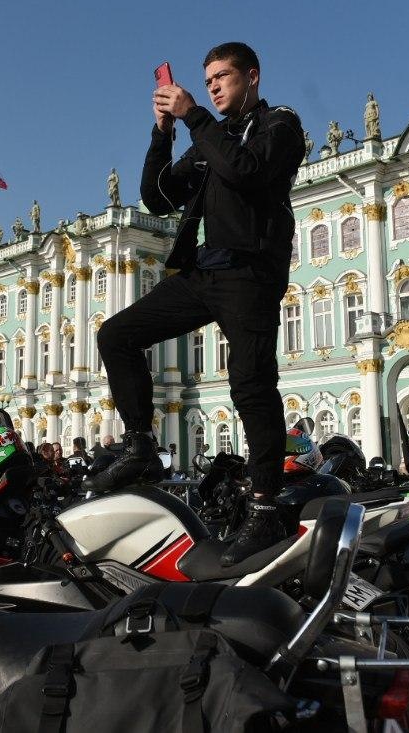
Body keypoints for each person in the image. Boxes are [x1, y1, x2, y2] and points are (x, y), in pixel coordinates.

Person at [87, 42, 305, 566]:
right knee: (116, 335)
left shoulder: (280, 124)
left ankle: (265, 506)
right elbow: (157, 196)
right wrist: (162, 131)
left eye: (222, 76)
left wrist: (196, 118)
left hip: (250, 273)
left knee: (251, 384)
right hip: (204, 273)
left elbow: (247, 172)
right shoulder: (212, 136)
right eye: (206, 80)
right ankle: (141, 443)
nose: (211, 85)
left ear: (251, 76)